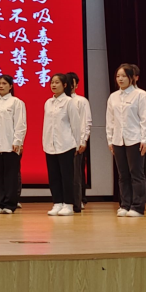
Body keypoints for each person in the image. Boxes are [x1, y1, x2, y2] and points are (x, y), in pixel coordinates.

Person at [106, 64, 146, 217]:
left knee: (136, 174)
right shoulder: (113, 97)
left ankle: (137, 207)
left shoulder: (140, 95)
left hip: (135, 139)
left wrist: (145, 138)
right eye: (118, 76)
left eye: (123, 76)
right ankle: (124, 205)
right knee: (123, 175)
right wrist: (110, 139)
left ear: (131, 78)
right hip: (118, 140)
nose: (120, 79)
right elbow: (110, 120)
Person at [0, 75, 27, 214]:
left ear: (11, 86)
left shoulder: (16, 102)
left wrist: (17, 141)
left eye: (4, 83)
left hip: (10, 144)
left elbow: (20, 124)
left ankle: (10, 204)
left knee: (10, 175)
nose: (1, 86)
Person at [42, 73, 82, 216]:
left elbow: (75, 124)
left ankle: (68, 204)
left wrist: (77, 143)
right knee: (54, 176)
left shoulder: (69, 102)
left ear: (65, 85)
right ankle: (57, 203)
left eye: (57, 82)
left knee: (67, 176)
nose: (53, 85)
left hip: (66, 144)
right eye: (52, 82)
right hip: (50, 145)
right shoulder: (48, 102)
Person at [66, 72, 91, 213]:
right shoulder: (59, 101)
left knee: (77, 173)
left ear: (76, 84)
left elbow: (85, 122)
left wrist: (83, 140)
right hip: (62, 143)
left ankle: (78, 200)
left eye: (72, 82)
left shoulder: (81, 101)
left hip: (76, 142)